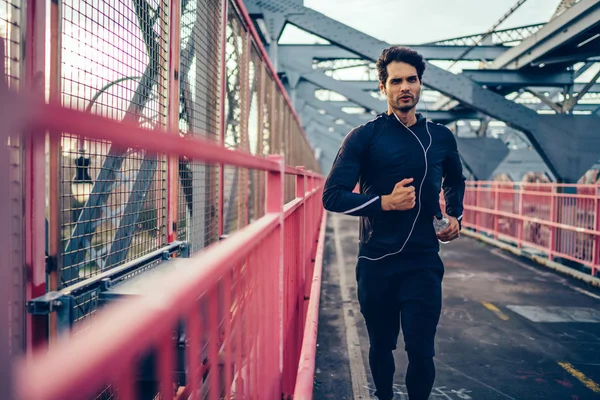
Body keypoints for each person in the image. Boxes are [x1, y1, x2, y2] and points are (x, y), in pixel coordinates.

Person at [322, 46, 466, 400]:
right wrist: (385, 202)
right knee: (382, 347)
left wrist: (456, 215)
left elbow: (456, 179)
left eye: (412, 80)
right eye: (396, 80)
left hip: (423, 262)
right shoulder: (364, 137)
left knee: (421, 351)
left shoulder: (440, 137)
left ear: (420, 85)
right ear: (382, 88)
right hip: (376, 261)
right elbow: (332, 195)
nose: (405, 87)